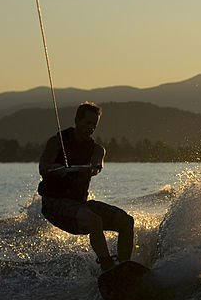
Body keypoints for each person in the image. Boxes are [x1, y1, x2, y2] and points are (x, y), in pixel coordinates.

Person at [38, 102, 134, 271]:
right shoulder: (57, 142)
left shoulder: (97, 149)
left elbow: (97, 166)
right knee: (94, 220)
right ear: (77, 120)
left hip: (79, 205)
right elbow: (43, 168)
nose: (90, 128)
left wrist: (92, 168)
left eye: (94, 125)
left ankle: (124, 268)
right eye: (87, 123)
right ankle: (107, 265)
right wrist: (56, 170)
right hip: (54, 204)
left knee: (126, 221)